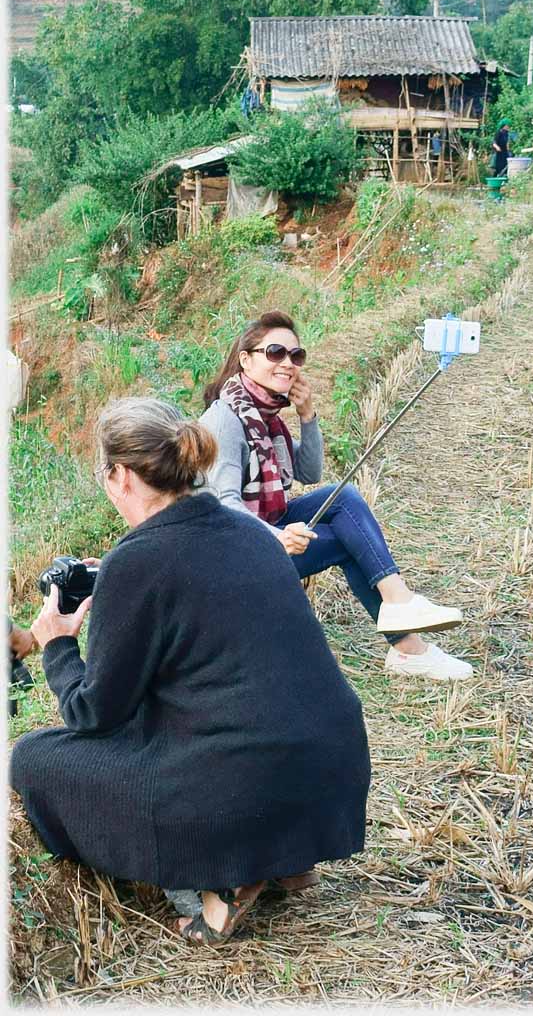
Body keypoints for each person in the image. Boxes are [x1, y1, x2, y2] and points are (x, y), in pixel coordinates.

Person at [11, 397, 371, 945]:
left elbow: (93, 714)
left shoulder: (138, 562)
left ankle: (218, 882)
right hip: (329, 772)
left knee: (34, 757)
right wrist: (113, 577)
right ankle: (287, 856)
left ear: (119, 475)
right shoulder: (249, 530)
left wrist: (59, 643)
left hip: (241, 789)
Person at [199, 312, 473, 682]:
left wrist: (308, 414)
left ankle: (398, 601)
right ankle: (408, 647)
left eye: (296, 356)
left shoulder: (266, 416)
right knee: (347, 541)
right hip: (230, 551)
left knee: (342, 497)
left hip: (261, 526)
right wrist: (279, 537)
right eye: (275, 352)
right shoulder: (226, 419)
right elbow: (223, 506)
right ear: (246, 359)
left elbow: (310, 473)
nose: (287, 364)